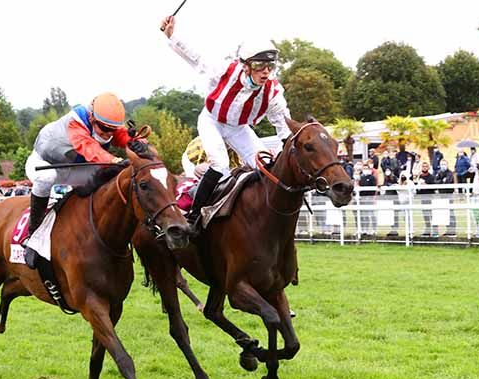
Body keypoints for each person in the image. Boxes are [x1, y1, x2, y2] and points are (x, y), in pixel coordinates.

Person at [162, 15, 291, 226]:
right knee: (220, 164)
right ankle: (194, 216)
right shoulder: (226, 70)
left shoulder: (273, 92)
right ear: (246, 66)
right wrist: (172, 36)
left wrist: (290, 149)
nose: (265, 71)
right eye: (259, 65)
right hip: (211, 120)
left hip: (239, 128)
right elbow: (196, 58)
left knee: (265, 164)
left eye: (270, 65)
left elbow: (284, 127)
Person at [24, 92, 137, 266]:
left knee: (110, 175)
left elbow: (121, 136)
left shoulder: (105, 124)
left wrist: (137, 142)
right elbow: (88, 147)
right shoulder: (75, 123)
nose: (108, 134)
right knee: (47, 178)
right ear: (91, 117)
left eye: (112, 129)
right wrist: (114, 160)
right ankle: (34, 234)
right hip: (45, 164)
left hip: (75, 168)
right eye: (105, 129)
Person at [435, 160, 456, 236]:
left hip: (449, 195)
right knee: (445, 213)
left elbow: (448, 181)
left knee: (450, 213)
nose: (443, 165)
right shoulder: (439, 173)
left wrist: (442, 181)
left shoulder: (450, 173)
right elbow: (436, 181)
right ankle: (448, 230)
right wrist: (442, 181)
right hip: (441, 195)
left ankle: (452, 231)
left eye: (444, 164)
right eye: (441, 164)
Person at [416, 161, 436, 236]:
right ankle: (427, 230)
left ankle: (434, 230)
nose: (424, 168)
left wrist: (425, 184)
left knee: (431, 215)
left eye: (426, 166)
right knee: (425, 215)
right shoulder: (420, 176)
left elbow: (433, 187)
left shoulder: (431, 177)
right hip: (422, 198)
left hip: (430, 198)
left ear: (428, 167)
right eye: (423, 166)